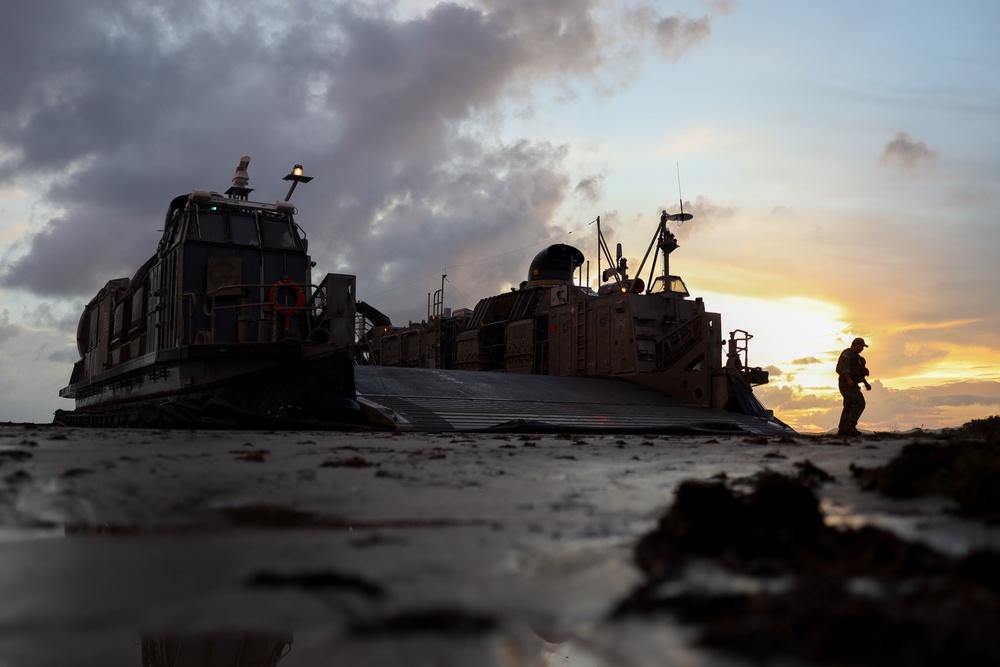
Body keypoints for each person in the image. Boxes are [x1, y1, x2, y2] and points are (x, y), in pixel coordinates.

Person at [836, 337, 871, 436]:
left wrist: (865, 383)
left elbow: (859, 373)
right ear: (855, 345)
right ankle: (850, 426)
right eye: (861, 346)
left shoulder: (858, 358)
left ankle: (843, 429)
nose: (862, 349)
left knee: (848, 406)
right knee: (859, 402)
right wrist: (848, 379)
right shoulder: (847, 354)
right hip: (846, 384)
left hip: (853, 384)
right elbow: (844, 368)